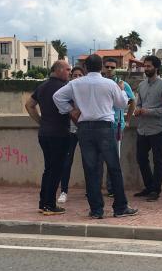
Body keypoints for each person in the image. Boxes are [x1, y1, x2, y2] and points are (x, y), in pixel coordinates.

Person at [53, 54, 138, 219]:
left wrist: (70, 111)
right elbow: (121, 104)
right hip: (105, 127)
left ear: (85, 68)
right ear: (101, 67)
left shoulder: (75, 83)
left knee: (91, 169)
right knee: (114, 167)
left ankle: (96, 209)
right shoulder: (110, 84)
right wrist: (121, 90)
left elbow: (57, 97)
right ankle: (120, 207)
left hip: (84, 127)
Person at [25, 60, 71, 215]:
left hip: (44, 133)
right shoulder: (64, 88)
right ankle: (50, 205)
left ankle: (43, 203)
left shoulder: (42, 86)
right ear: (58, 70)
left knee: (48, 168)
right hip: (59, 134)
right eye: (67, 69)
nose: (69, 73)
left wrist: (41, 121)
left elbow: (29, 105)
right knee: (56, 169)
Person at [133, 55, 162, 202]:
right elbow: (139, 103)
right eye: (145, 66)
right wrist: (137, 110)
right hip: (142, 129)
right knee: (141, 159)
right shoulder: (142, 85)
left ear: (156, 68)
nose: (146, 69)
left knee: (158, 160)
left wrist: (148, 112)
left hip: (158, 129)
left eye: (149, 66)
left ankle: (156, 190)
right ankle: (149, 186)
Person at [100, 57, 136, 197]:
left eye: (112, 67)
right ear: (102, 67)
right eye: (107, 67)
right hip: (101, 124)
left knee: (113, 158)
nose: (109, 69)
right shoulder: (100, 83)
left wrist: (127, 120)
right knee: (98, 158)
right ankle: (97, 187)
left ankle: (112, 188)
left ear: (116, 68)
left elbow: (132, 102)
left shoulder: (122, 84)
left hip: (116, 125)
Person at [57, 66, 85, 204]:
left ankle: (91, 190)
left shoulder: (87, 91)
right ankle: (64, 191)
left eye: (80, 75)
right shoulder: (66, 92)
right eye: (75, 75)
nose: (77, 78)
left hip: (86, 131)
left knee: (89, 161)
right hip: (70, 131)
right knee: (66, 162)